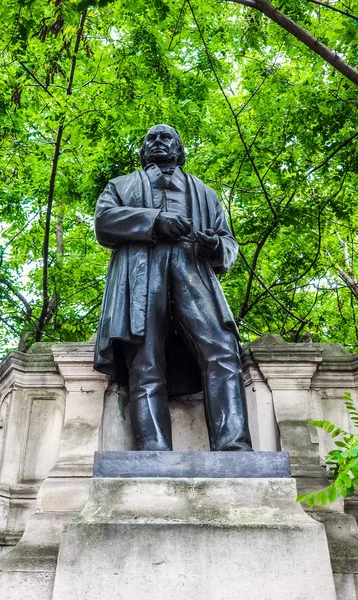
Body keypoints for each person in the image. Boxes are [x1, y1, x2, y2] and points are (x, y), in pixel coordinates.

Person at [93, 124, 252, 452]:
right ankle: (153, 451)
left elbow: (229, 243)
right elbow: (104, 222)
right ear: (144, 150)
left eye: (166, 137)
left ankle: (234, 447)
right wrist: (154, 220)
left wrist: (215, 246)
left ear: (179, 151)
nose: (158, 141)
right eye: (151, 138)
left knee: (222, 349)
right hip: (140, 274)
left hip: (192, 267)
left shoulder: (205, 193)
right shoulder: (122, 186)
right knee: (145, 360)